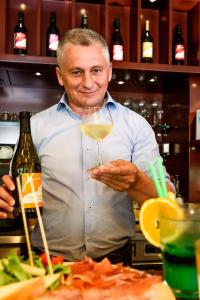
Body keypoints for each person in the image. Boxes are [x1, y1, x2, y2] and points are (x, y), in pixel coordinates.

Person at [0, 28, 174, 265]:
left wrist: (136, 183)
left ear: (109, 71)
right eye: (76, 72)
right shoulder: (35, 127)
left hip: (115, 261)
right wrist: (6, 200)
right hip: (48, 261)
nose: (88, 83)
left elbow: (166, 198)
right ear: (60, 76)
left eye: (96, 70)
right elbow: (16, 193)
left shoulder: (136, 125)